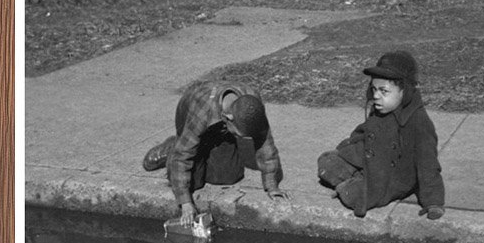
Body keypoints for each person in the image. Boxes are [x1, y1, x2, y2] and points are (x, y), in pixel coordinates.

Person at [317, 50, 445, 219]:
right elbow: (364, 133)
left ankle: (350, 185)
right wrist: (347, 150)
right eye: (374, 89)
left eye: (384, 91)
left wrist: (433, 202)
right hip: (371, 160)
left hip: (391, 177)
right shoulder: (381, 109)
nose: (376, 96)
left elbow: (428, 164)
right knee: (327, 162)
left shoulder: (418, 122)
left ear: (404, 91)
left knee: (355, 196)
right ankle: (354, 178)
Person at [142, 81, 288, 224]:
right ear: (228, 118)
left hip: (220, 128)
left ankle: (206, 148)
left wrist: (272, 185)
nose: (241, 138)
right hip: (190, 120)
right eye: (240, 135)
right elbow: (182, 157)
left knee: (228, 176)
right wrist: (185, 203)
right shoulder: (202, 110)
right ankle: (172, 146)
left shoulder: (252, 102)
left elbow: (265, 144)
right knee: (193, 182)